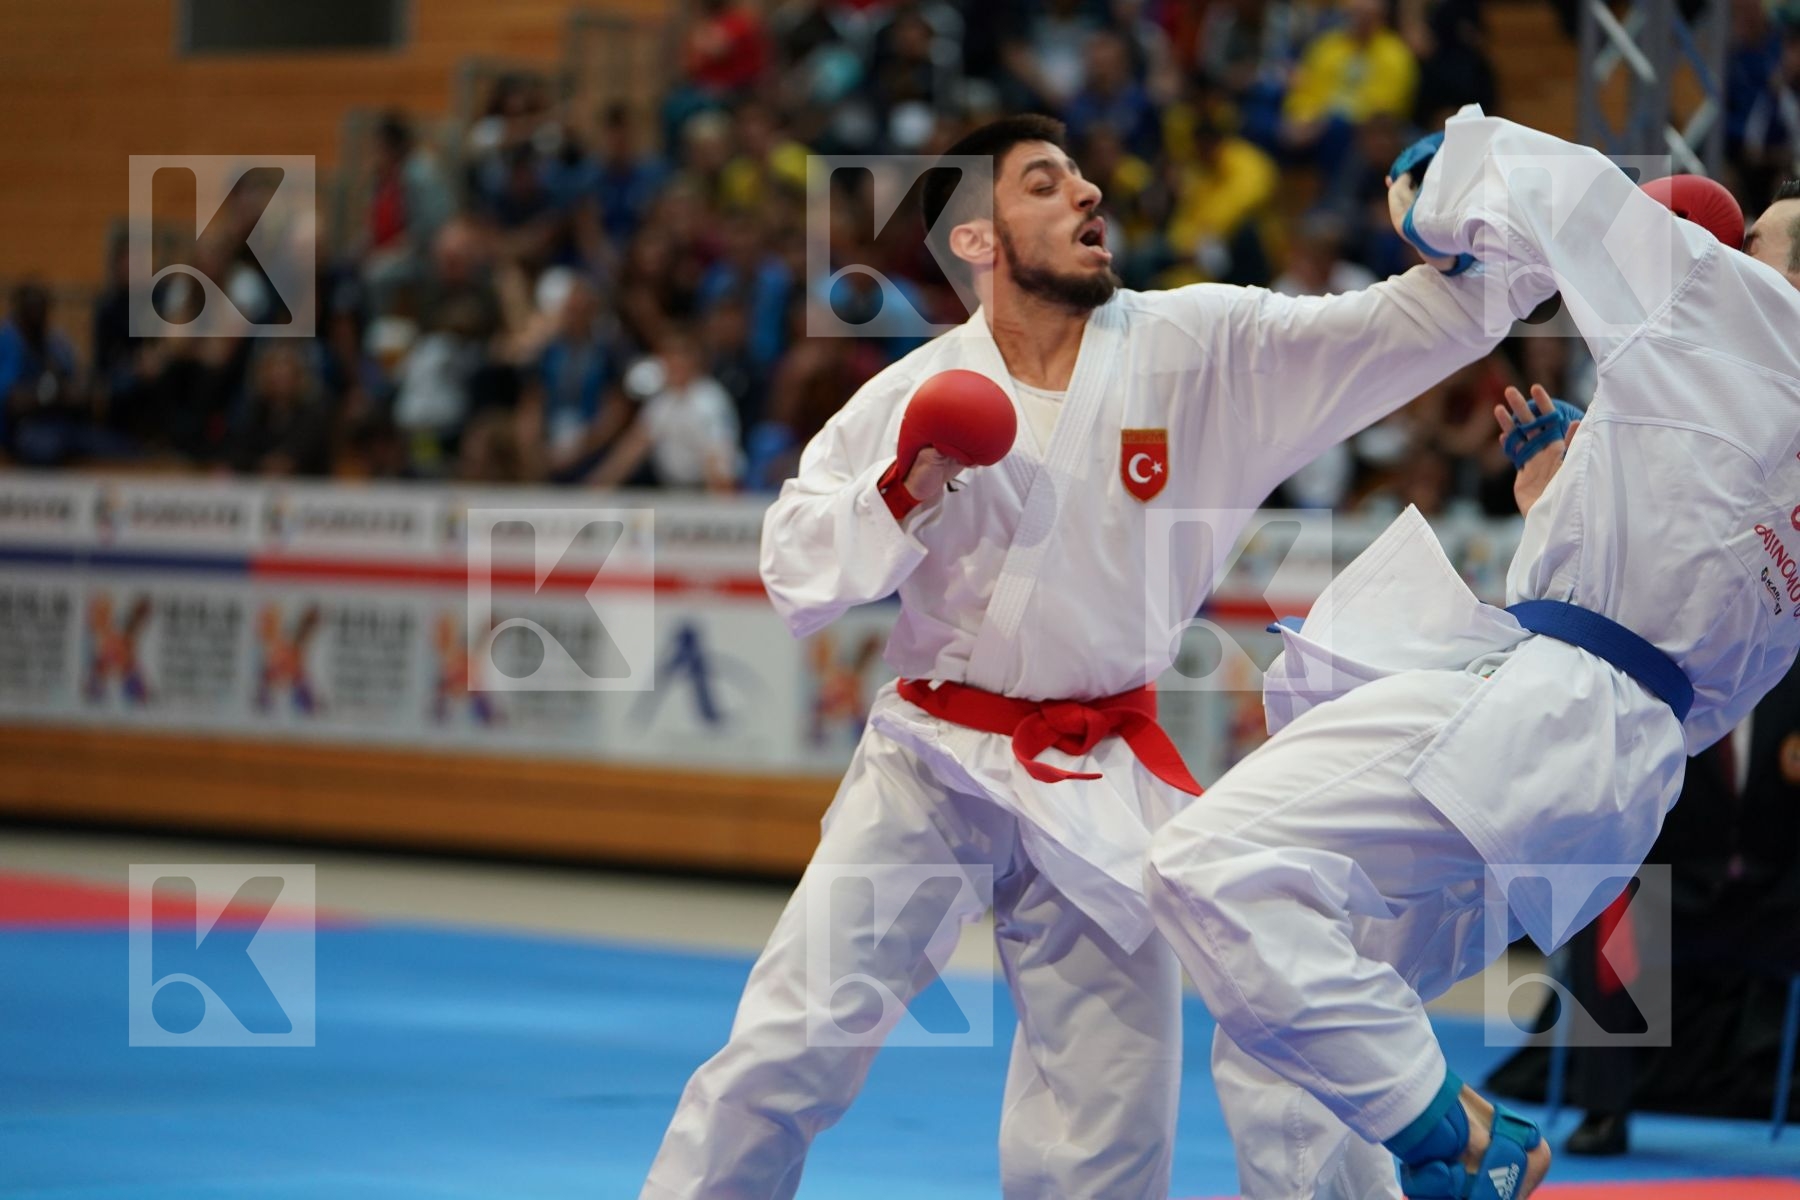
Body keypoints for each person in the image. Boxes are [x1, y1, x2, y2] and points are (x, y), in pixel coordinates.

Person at [641, 111, 1524, 1200]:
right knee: (787, 1050)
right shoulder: (909, 395)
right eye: (1047, 185)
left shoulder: (1199, 348)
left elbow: (1401, 330)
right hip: (931, 764)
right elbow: (794, 568)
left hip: (1103, 769)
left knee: (1107, 1123)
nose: (1089, 196)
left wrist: (1487, 230)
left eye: (1085, 180)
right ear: (977, 239)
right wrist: (903, 486)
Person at [1144, 106, 1800, 1199]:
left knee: (1209, 868)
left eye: (1762, 236)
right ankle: (1412, 1143)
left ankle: (1464, 1137)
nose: (1732, 245)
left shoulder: (1730, 299)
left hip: (1540, 717)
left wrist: (1429, 188)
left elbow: (1550, 179)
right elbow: (1689, 651)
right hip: (1609, 774)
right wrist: (1568, 501)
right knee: (1302, 1019)